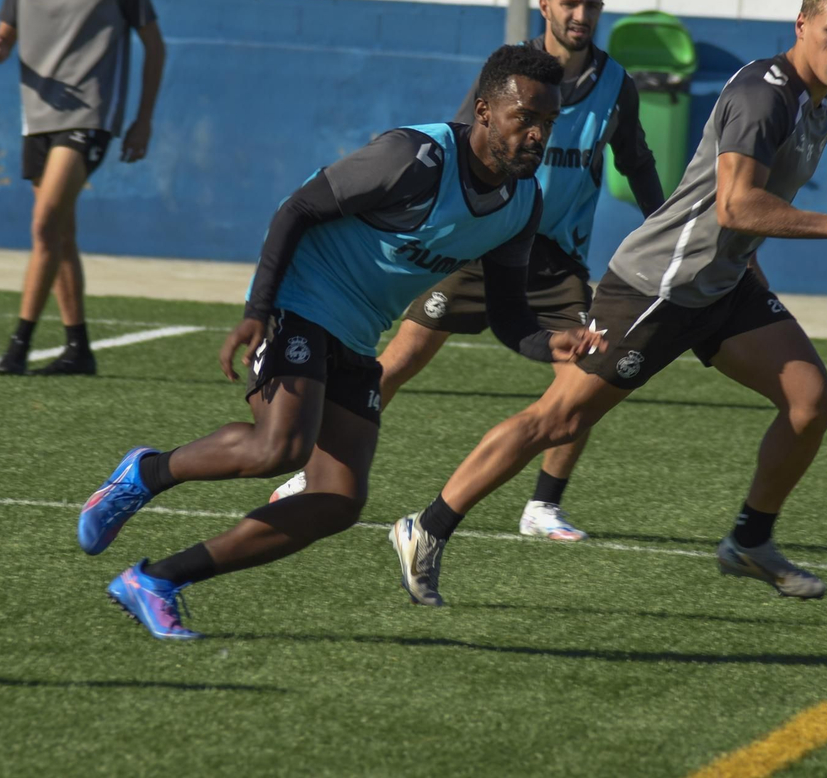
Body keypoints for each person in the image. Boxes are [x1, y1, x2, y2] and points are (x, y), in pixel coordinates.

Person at [388, 0, 827, 607]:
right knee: (557, 418)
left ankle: (750, 540)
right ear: (802, 24)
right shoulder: (764, 96)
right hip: (658, 286)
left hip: (722, 284)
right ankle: (425, 529)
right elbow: (735, 205)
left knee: (813, 402)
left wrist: (749, 266)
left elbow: (739, 214)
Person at [75, 44, 605, 640]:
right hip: (301, 297)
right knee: (281, 449)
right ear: (484, 110)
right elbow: (297, 208)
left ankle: (157, 580)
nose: (538, 135)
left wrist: (548, 344)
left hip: (356, 330)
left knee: (339, 498)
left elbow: (509, 316)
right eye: (525, 119)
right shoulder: (416, 157)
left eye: (548, 123)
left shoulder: (521, 204)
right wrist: (258, 311)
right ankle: (146, 474)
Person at [268, 0, 665, 542]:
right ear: (546, 5)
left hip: (556, 260)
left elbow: (637, 162)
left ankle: (543, 507)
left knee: (583, 374)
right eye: (570, 3)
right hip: (482, 244)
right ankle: (313, 470)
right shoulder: (507, 78)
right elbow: (460, 152)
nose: (581, 16)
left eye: (593, 6)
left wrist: (662, 227)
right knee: (399, 360)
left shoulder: (615, 86)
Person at [0, 0, 165, 377]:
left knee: (43, 224)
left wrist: (142, 120)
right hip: (37, 119)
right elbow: (3, 37)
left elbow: (155, 47)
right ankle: (78, 348)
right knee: (60, 234)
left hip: (90, 117)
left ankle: (18, 345)